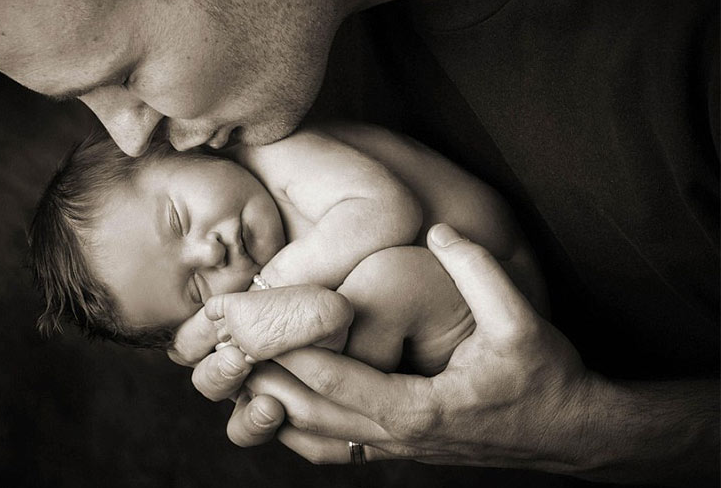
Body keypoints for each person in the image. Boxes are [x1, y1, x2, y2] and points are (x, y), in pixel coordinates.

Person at [0, 0, 718, 488]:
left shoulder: (684, 3)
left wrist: (591, 434)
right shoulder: (265, 85)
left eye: (122, 76)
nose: (127, 138)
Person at [29, 122, 545, 377]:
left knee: (384, 281)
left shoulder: (276, 153)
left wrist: (269, 287)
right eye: (196, 288)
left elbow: (391, 210)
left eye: (178, 219)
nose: (210, 253)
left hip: (501, 285)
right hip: (462, 360)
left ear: (182, 149)